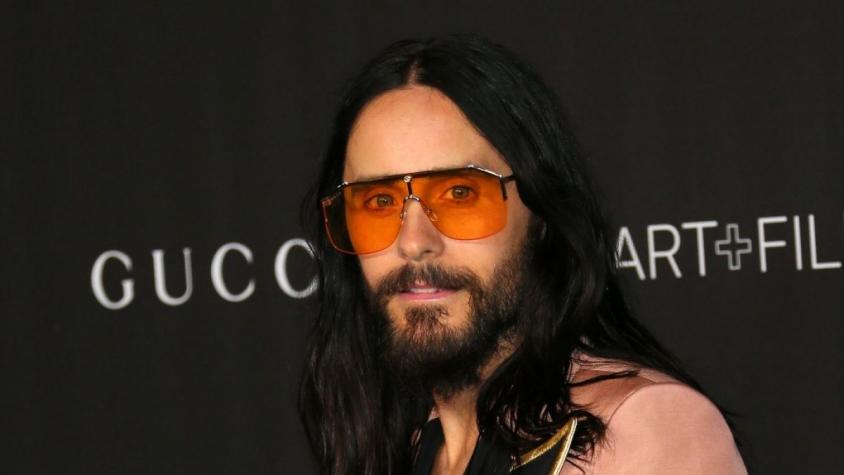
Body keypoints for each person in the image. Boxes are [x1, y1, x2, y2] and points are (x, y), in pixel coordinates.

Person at [298, 34, 746, 474]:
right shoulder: (404, 452)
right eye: (379, 202)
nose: (413, 242)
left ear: (542, 212)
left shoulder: (639, 429)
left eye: (459, 193)